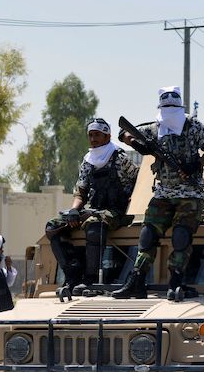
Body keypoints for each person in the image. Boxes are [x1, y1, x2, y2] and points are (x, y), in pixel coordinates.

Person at [112, 86, 204, 300]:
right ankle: (136, 280)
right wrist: (132, 141)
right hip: (162, 193)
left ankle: (176, 282)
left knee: (181, 237)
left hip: (190, 193)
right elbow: (128, 135)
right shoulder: (154, 128)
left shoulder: (193, 126)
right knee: (147, 235)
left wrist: (195, 165)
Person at [45, 118, 138, 296]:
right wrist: (74, 211)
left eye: (97, 135)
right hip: (91, 209)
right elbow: (80, 191)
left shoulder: (120, 158)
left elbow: (138, 181)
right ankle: (73, 274)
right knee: (53, 227)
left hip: (116, 211)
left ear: (107, 136)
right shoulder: (87, 161)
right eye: (90, 135)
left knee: (94, 226)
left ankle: (90, 279)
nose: (93, 139)